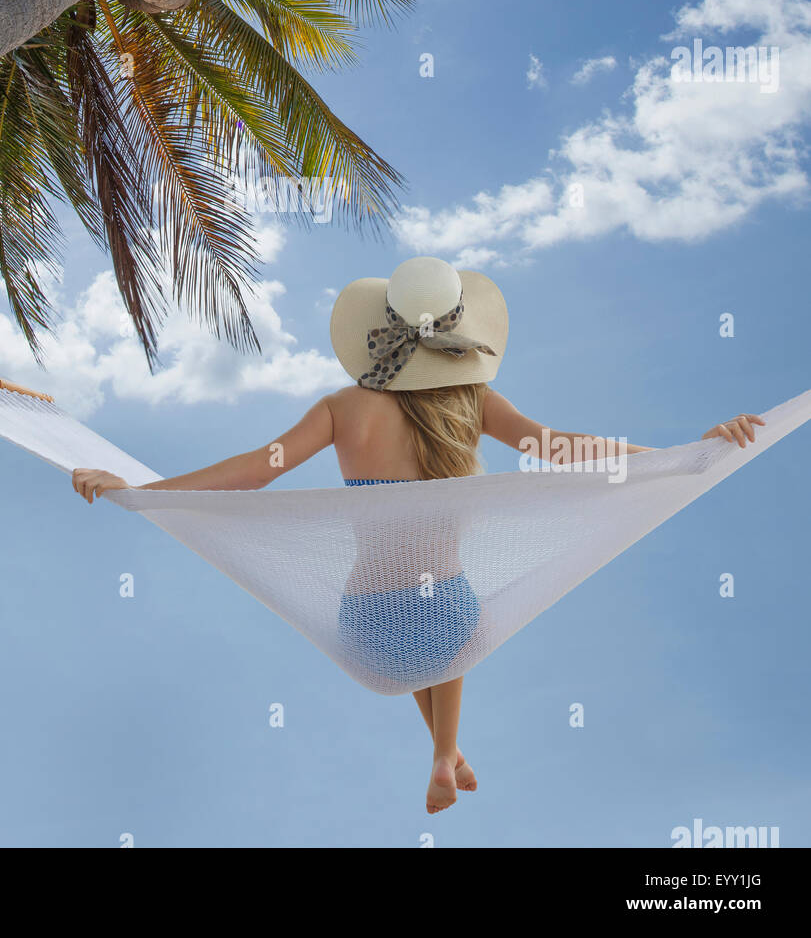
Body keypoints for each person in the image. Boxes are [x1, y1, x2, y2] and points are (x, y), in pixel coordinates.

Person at [72, 256, 764, 814]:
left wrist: (142, 491)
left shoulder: (345, 409)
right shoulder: (473, 403)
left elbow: (256, 470)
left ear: (383, 329)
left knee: (414, 643)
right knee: (455, 614)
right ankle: (444, 751)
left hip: (366, 626)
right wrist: (676, 456)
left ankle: (443, 752)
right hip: (450, 622)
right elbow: (564, 448)